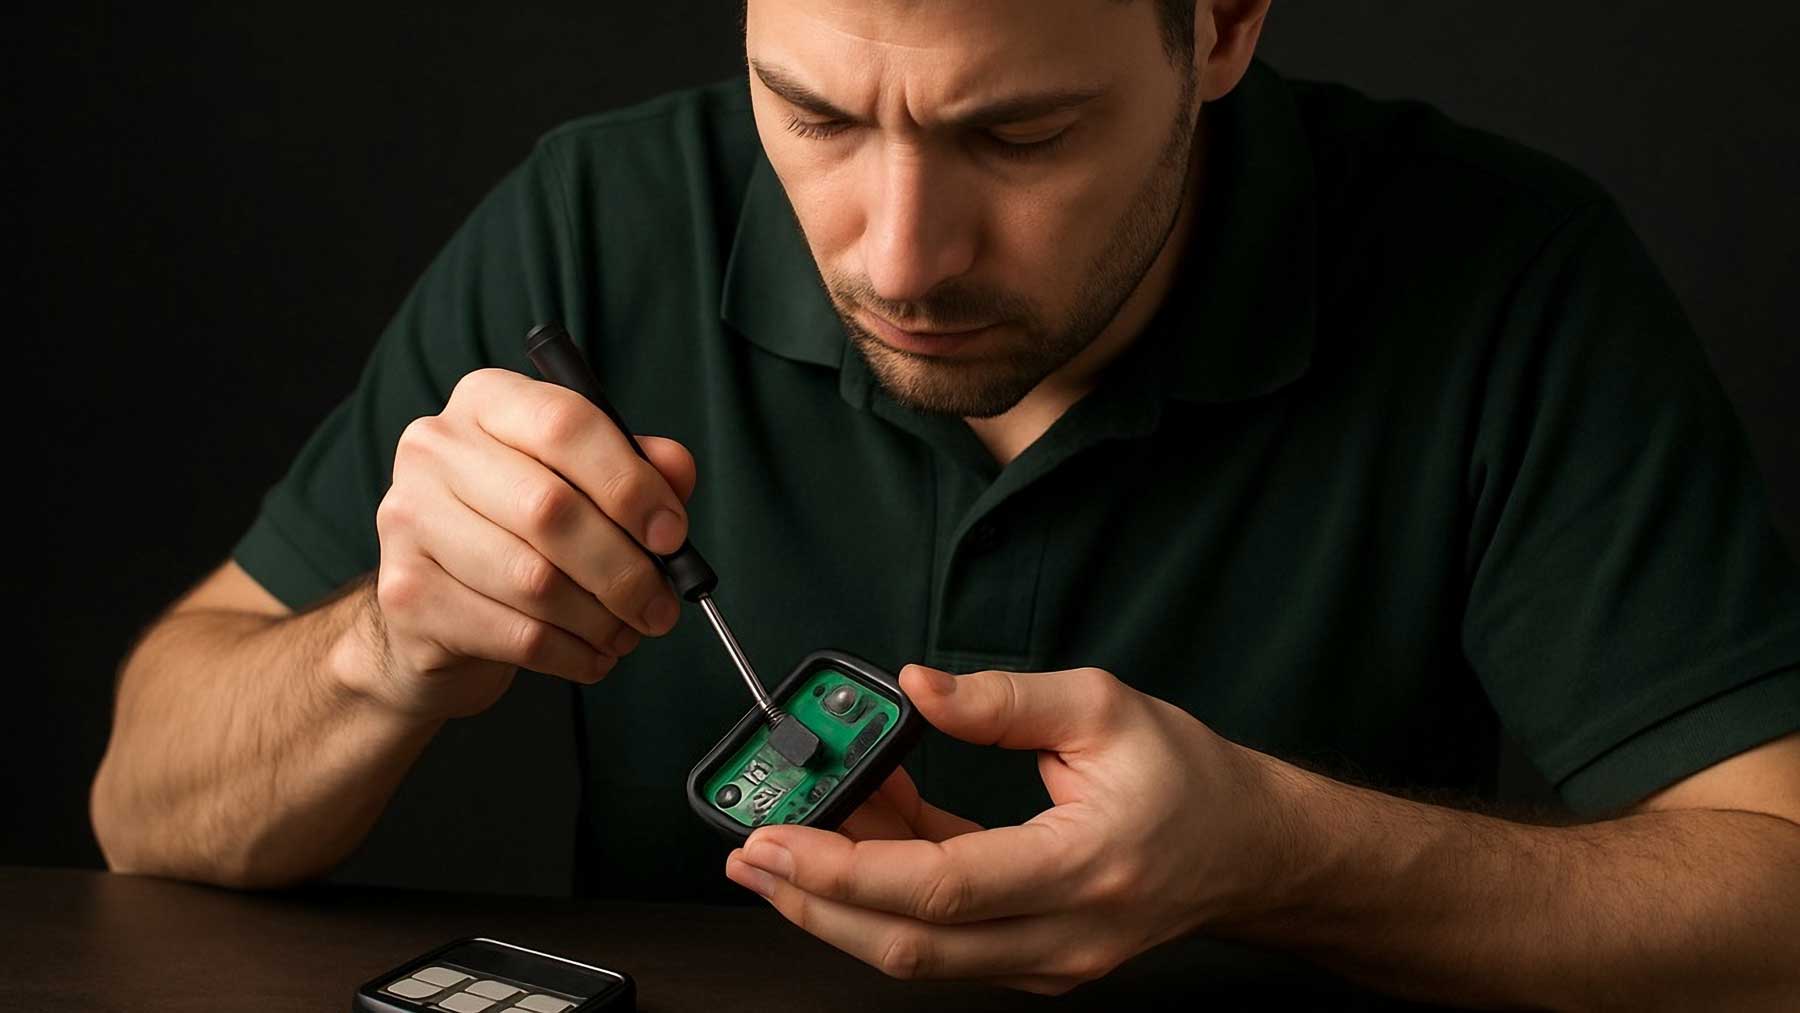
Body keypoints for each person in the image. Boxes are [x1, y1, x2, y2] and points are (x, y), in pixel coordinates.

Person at [90, 0, 1800, 1007]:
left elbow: (1780, 901)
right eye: (815, 114)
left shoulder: (1501, 274)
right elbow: (143, 808)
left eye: (1023, 135)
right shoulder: (601, 218)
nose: (895, 257)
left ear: (1218, 25)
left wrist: (1277, 854)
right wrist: (386, 649)